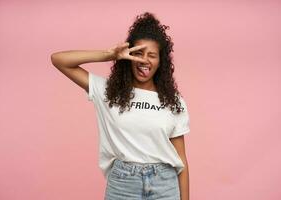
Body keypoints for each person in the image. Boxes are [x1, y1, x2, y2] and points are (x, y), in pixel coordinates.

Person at [51, 12, 190, 200]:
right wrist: (109, 55)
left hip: (165, 184)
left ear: (160, 61)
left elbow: (181, 160)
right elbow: (59, 60)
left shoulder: (173, 101)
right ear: (128, 55)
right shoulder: (108, 92)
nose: (144, 61)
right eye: (138, 53)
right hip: (123, 184)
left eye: (152, 55)